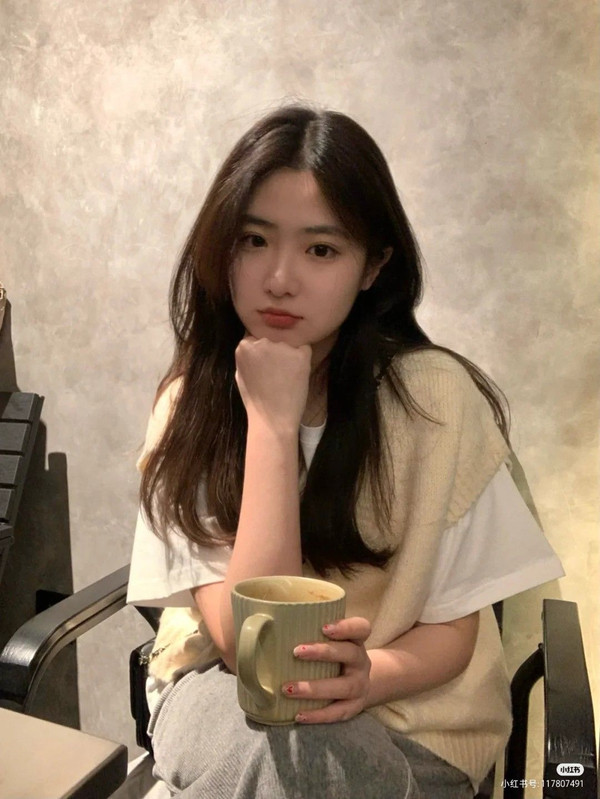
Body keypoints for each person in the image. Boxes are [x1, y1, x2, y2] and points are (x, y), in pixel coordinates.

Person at [126, 104, 564, 799]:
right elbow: (254, 650)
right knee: (282, 744)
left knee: (312, 755)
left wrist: (370, 675)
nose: (280, 277)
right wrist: (271, 426)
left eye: (321, 250)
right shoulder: (193, 408)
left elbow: (454, 628)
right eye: (253, 240)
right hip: (226, 696)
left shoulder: (435, 402)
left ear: (373, 265)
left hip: (412, 715)